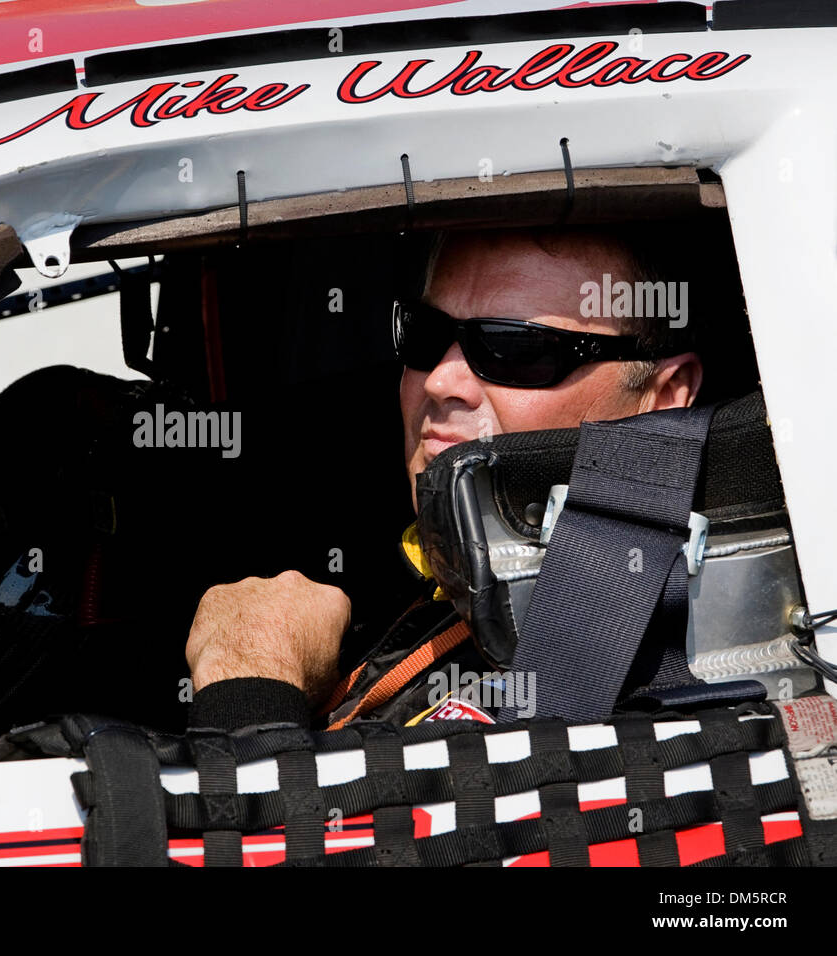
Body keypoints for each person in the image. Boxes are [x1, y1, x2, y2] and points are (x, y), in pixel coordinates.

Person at [182, 226, 707, 731]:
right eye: (424, 335)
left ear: (663, 396)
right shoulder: (392, 568)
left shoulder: (657, 648)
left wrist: (249, 689)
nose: (439, 380)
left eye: (514, 347)